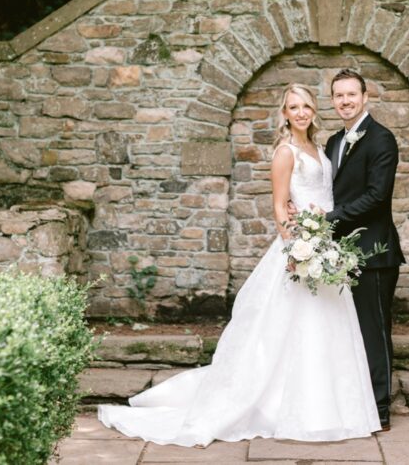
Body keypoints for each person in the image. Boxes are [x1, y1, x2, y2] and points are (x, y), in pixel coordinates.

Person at [98, 83, 380, 447]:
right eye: (292, 107)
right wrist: (298, 251)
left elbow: (322, 197)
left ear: (314, 110)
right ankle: (286, 409)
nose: (300, 112)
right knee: (291, 331)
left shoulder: (321, 148)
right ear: (284, 113)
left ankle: (333, 409)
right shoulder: (285, 152)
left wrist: (322, 244)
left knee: (327, 328)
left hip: (325, 247)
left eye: (305, 106)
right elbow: (280, 208)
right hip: (301, 251)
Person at [322, 68, 405, 431]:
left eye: (351, 94)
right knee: (342, 331)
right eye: (338, 96)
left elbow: (377, 195)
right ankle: (352, 402)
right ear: (332, 100)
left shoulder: (381, 139)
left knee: (374, 332)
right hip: (338, 253)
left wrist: (329, 217)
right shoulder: (332, 142)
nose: (345, 101)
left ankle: (380, 407)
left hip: (373, 252)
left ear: (365, 96)